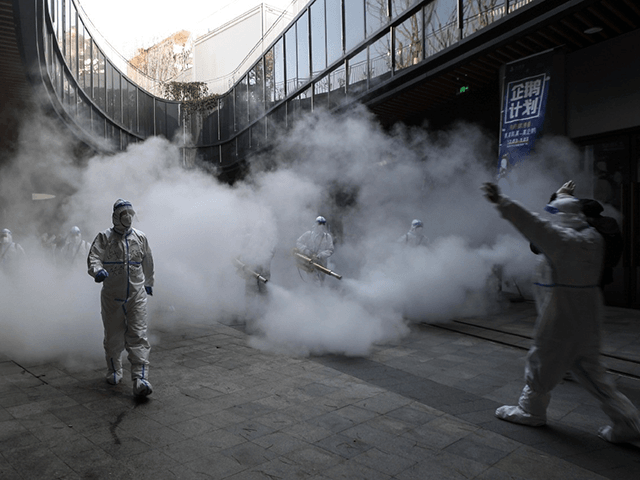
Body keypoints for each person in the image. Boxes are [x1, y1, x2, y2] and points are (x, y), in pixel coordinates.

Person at [481, 181, 640, 444]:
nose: (550, 220)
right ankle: (628, 421)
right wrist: (564, 195)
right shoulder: (593, 237)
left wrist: (502, 201)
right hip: (588, 310)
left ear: (563, 218)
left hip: (561, 312)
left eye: (555, 214)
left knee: (542, 361)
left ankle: (531, 411)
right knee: (591, 370)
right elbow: (557, 219)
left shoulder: (561, 241)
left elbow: (532, 223)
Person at [88, 199, 155, 397]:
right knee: (113, 336)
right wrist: (97, 271)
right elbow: (94, 257)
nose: (128, 217)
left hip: (136, 296)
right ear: (116, 216)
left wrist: (149, 283)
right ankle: (114, 369)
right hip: (112, 297)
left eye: (130, 213)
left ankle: (140, 378)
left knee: (138, 335)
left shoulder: (140, 237)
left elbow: (148, 261)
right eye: (123, 213)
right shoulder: (104, 237)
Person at [295, 216, 334, 284]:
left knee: (320, 282)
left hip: (322, 263)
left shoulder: (327, 237)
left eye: (323, 224)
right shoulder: (308, 234)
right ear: (315, 224)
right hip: (309, 261)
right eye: (319, 223)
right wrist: (306, 251)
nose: (321, 226)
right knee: (310, 280)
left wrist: (319, 255)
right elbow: (298, 242)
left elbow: (330, 250)